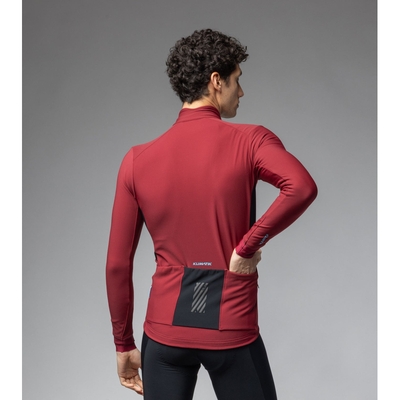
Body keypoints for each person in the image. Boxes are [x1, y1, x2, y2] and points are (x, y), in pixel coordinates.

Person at [106, 28, 317, 400]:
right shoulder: (251, 140)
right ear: (216, 81)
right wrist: (248, 246)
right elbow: (301, 187)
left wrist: (123, 344)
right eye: (237, 80)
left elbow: (117, 266)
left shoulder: (136, 160)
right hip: (230, 328)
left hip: (164, 335)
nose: (241, 91)